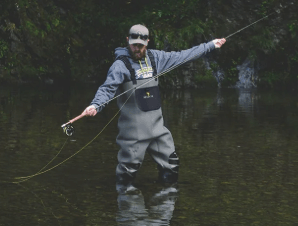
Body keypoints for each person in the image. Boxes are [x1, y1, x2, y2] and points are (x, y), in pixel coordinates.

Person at [81, 24, 226, 191]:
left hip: (158, 131)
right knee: (127, 176)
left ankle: (164, 206)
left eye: (140, 46)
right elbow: (107, 89)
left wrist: (210, 46)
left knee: (171, 165)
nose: (137, 49)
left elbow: (183, 56)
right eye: (134, 44)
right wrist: (95, 105)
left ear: (147, 42)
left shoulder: (156, 58)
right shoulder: (120, 66)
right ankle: (127, 209)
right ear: (128, 41)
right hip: (133, 134)